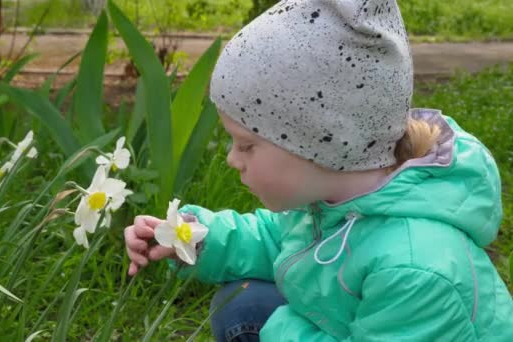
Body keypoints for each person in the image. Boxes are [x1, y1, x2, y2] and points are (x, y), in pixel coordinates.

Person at [124, 0, 513, 340]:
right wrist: (192, 238)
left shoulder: (416, 269)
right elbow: (277, 239)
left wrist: (277, 328)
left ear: (321, 141)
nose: (231, 159)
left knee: (252, 315)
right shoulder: (336, 198)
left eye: (246, 144)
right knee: (241, 304)